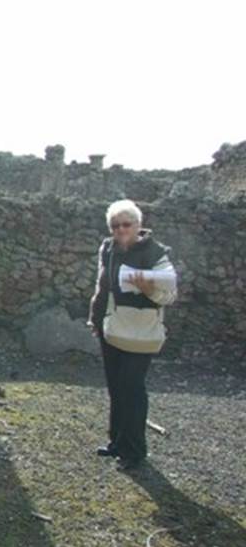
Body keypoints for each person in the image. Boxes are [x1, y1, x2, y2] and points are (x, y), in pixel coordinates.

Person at [87, 199, 177, 471]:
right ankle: (117, 442)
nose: (120, 230)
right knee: (116, 386)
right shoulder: (108, 248)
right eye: (115, 226)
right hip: (112, 327)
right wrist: (94, 316)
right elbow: (102, 286)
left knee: (132, 388)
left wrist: (148, 287)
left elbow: (169, 295)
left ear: (138, 225)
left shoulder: (156, 253)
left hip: (140, 330)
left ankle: (135, 452)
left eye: (126, 224)